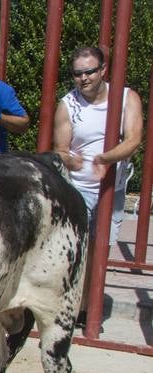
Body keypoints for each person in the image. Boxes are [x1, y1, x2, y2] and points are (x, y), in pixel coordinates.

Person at [53, 45, 144, 253]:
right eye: (77, 74)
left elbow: (133, 140)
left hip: (112, 190)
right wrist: (71, 161)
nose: (83, 78)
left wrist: (104, 159)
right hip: (77, 190)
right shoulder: (68, 105)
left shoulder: (126, 98)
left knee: (100, 253)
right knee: (76, 252)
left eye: (89, 72)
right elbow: (60, 151)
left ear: (103, 70)